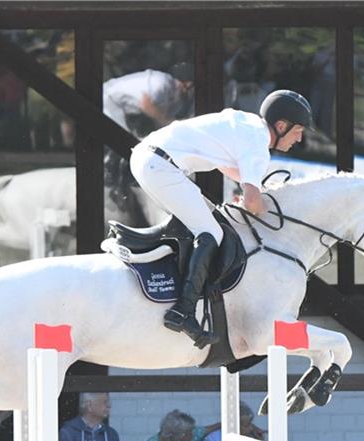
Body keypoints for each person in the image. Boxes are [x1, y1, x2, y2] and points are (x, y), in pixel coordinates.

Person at [129, 89, 312, 348]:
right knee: (211, 233)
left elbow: (229, 169)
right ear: (281, 126)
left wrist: (254, 195)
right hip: (160, 166)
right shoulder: (258, 143)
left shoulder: (247, 126)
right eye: (298, 131)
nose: (300, 138)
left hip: (150, 159)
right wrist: (265, 207)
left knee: (209, 223)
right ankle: (183, 311)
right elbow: (251, 201)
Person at [103, 64, 194, 139]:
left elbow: (166, 123)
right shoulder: (161, 85)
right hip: (108, 98)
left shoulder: (178, 96)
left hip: (125, 108)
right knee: (128, 139)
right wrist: (167, 121)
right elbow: (146, 106)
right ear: (188, 84)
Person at [58, 392, 125, 441]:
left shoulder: (111, 434)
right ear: (89, 405)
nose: (109, 405)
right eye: (105, 402)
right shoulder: (68, 433)